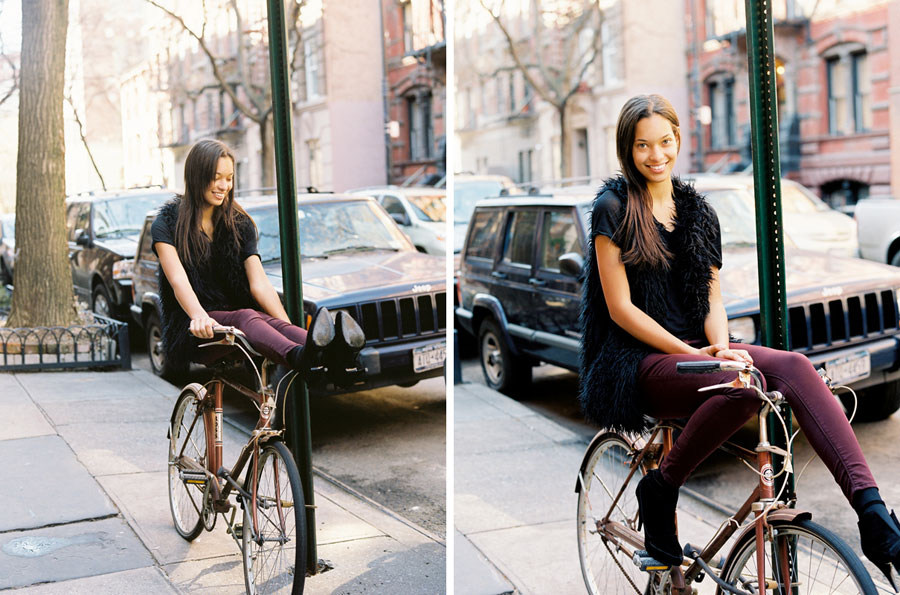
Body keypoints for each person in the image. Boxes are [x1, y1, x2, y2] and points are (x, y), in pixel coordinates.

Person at [579, 94, 900, 586]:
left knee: (794, 367)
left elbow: (711, 297)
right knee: (742, 385)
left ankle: (875, 518)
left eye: (664, 142)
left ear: (678, 139)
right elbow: (620, 309)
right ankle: (660, 487)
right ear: (628, 148)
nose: (656, 155)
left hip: (700, 350)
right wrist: (694, 354)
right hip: (637, 359)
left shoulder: (697, 211)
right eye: (643, 145)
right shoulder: (613, 208)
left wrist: (720, 346)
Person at [152, 138, 364, 381]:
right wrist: (199, 315)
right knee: (246, 317)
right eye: (216, 177)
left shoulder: (239, 224)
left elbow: (259, 284)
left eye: (229, 178)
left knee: (266, 320)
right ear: (196, 176)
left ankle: (336, 357)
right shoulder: (167, 223)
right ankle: (298, 357)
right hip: (194, 327)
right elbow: (178, 279)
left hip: (238, 322)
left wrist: (287, 329)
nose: (224, 185)